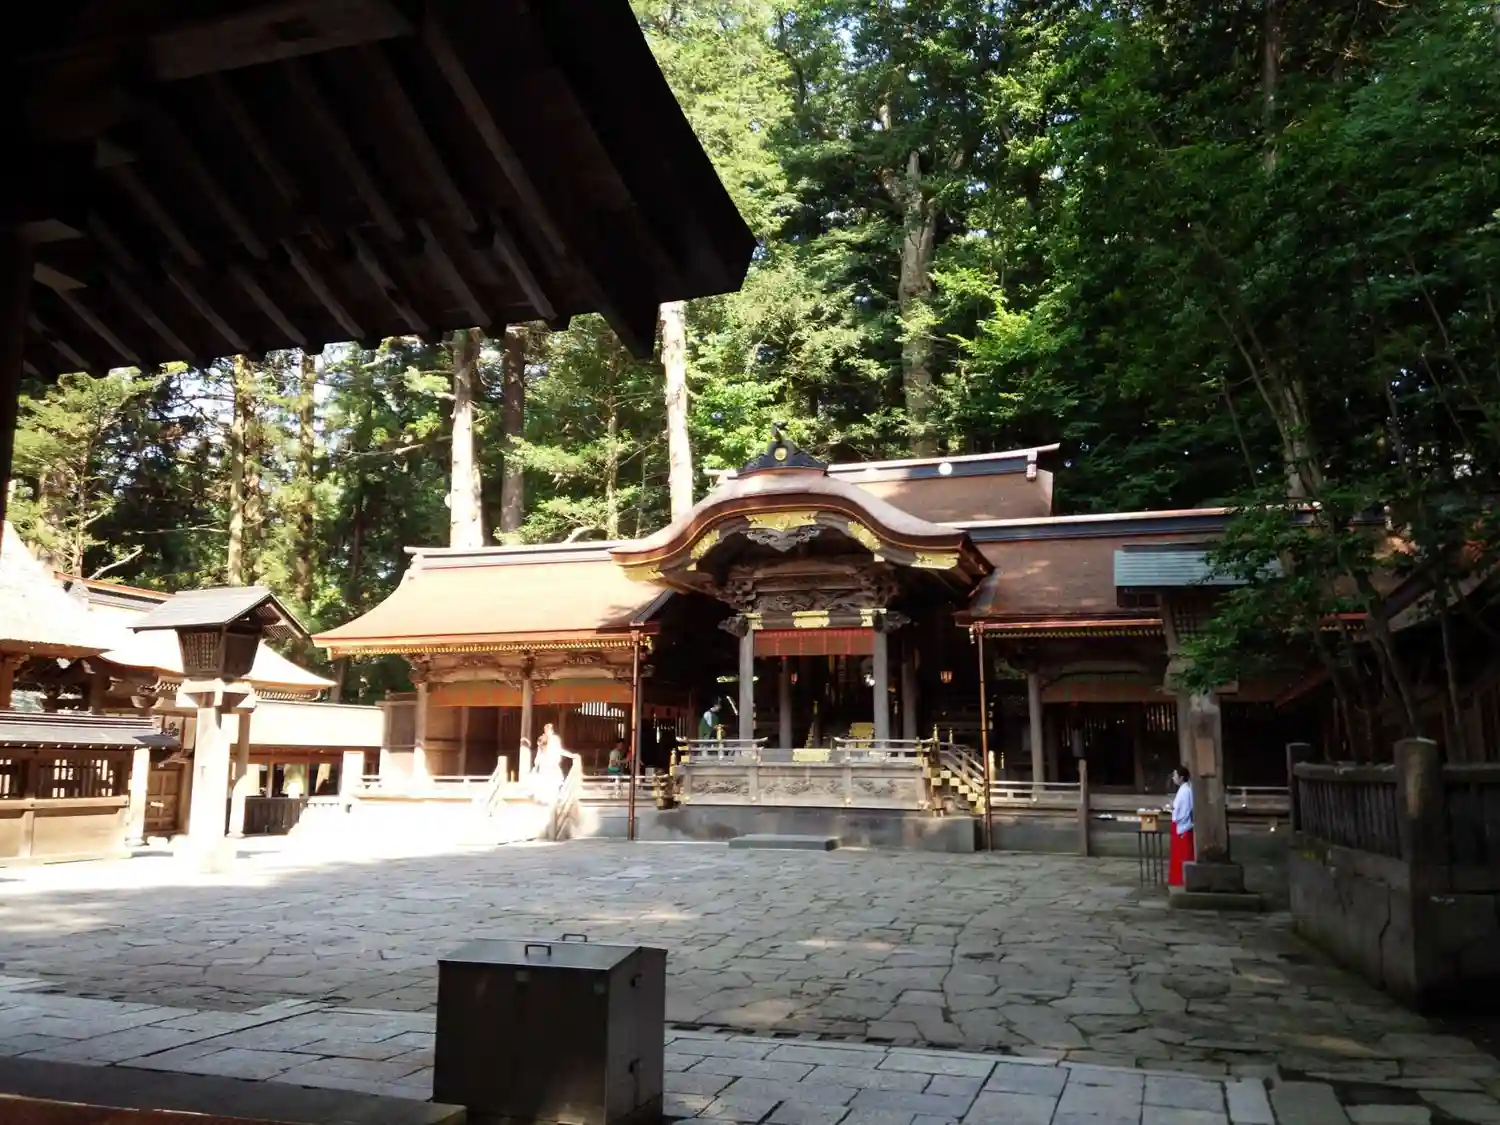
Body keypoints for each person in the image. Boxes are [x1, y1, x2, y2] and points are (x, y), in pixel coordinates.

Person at [1168, 765, 1195, 887]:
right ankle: (1177, 879)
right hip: (1179, 824)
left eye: (1175, 775)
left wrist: (1178, 818)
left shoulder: (1185, 791)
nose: (1173, 778)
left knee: (1183, 854)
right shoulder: (1183, 789)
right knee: (1178, 854)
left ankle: (1182, 879)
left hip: (1182, 825)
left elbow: (1185, 810)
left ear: (1181, 777)